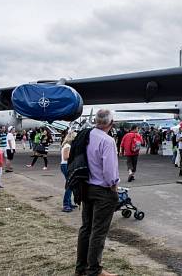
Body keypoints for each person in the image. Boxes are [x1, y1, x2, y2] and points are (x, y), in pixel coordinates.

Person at [75, 109, 119, 276]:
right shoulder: (107, 141)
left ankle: (81, 268)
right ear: (110, 123)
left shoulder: (86, 135)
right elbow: (109, 171)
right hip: (102, 189)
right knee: (98, 231)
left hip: (86, 186)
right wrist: (113, 185)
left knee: (86, 228)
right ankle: (94, 270)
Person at [60, 131, 77, 212]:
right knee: (70, 185)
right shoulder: (67, 146)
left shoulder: (67, 145)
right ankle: (66, 204)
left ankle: (68, 202)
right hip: (66, 165)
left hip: (65, 165)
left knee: (70, 184)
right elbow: (66, 157)